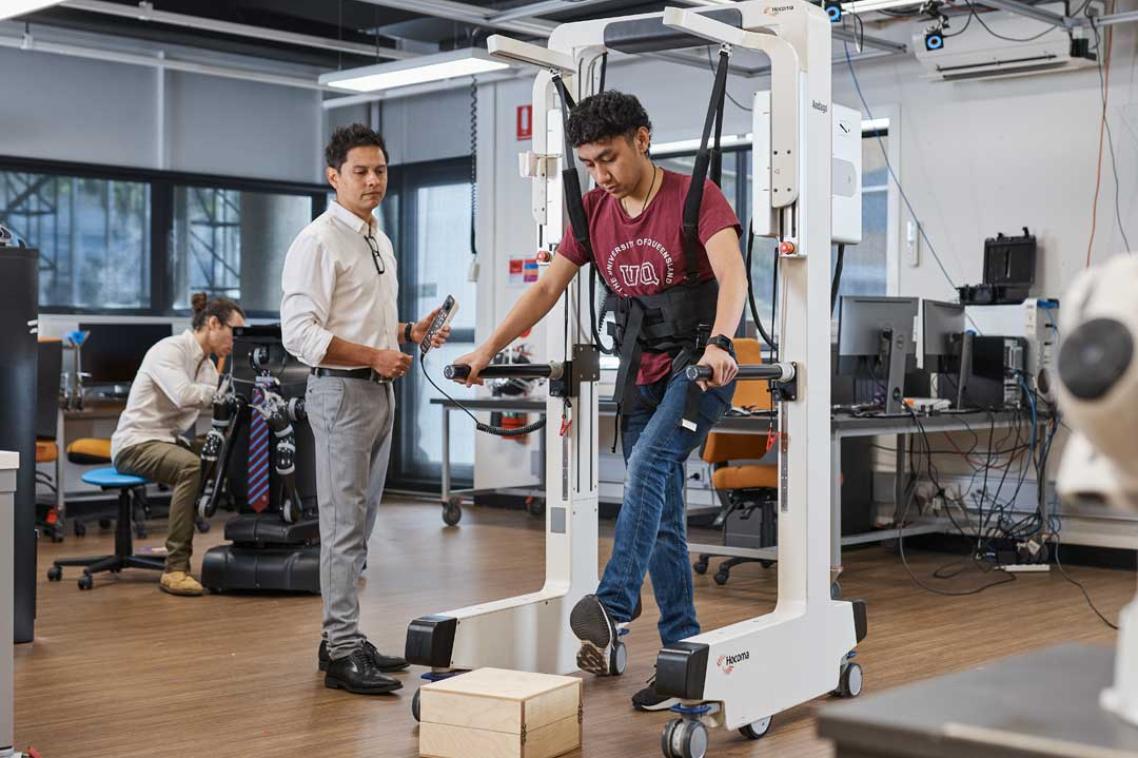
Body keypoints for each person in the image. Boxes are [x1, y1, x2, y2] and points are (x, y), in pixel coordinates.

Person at [453, 91, 746, 711]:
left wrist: (721, 341)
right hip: (640, 370)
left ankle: (612, 605)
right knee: (663, 515)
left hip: (699, 370)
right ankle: (682, 661)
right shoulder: (591, 210)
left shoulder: (695, 197)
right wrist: (487, 350)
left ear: (643, 138)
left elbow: (734, 275)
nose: (601, 175)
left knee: (645, 466)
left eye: (608, 159)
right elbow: (546, 290)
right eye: (589, 163)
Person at [281, 123, 451, 696]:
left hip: (379, 392)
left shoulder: (377, 238)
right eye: (361, 171)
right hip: (340, 393)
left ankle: (343, 637)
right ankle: (341, 651)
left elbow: (363, 319)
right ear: (334, 176)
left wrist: (407, 332)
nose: (374, 179)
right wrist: (376, 355)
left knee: (362, 526)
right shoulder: (319, 241)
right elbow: (300, 335)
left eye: (380, 170)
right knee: (342, 528)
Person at [111, 294, 246, 597]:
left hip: (168, 440)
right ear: (213, 323)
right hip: (135, 444)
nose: (236, 341)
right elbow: (184, 394)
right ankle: (175, 568)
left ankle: (246, 544)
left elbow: (218, 407)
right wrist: (223, 395)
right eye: (233, 332)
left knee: (225, 449)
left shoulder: (208, 369)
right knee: (190, 467)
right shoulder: (169, 350)